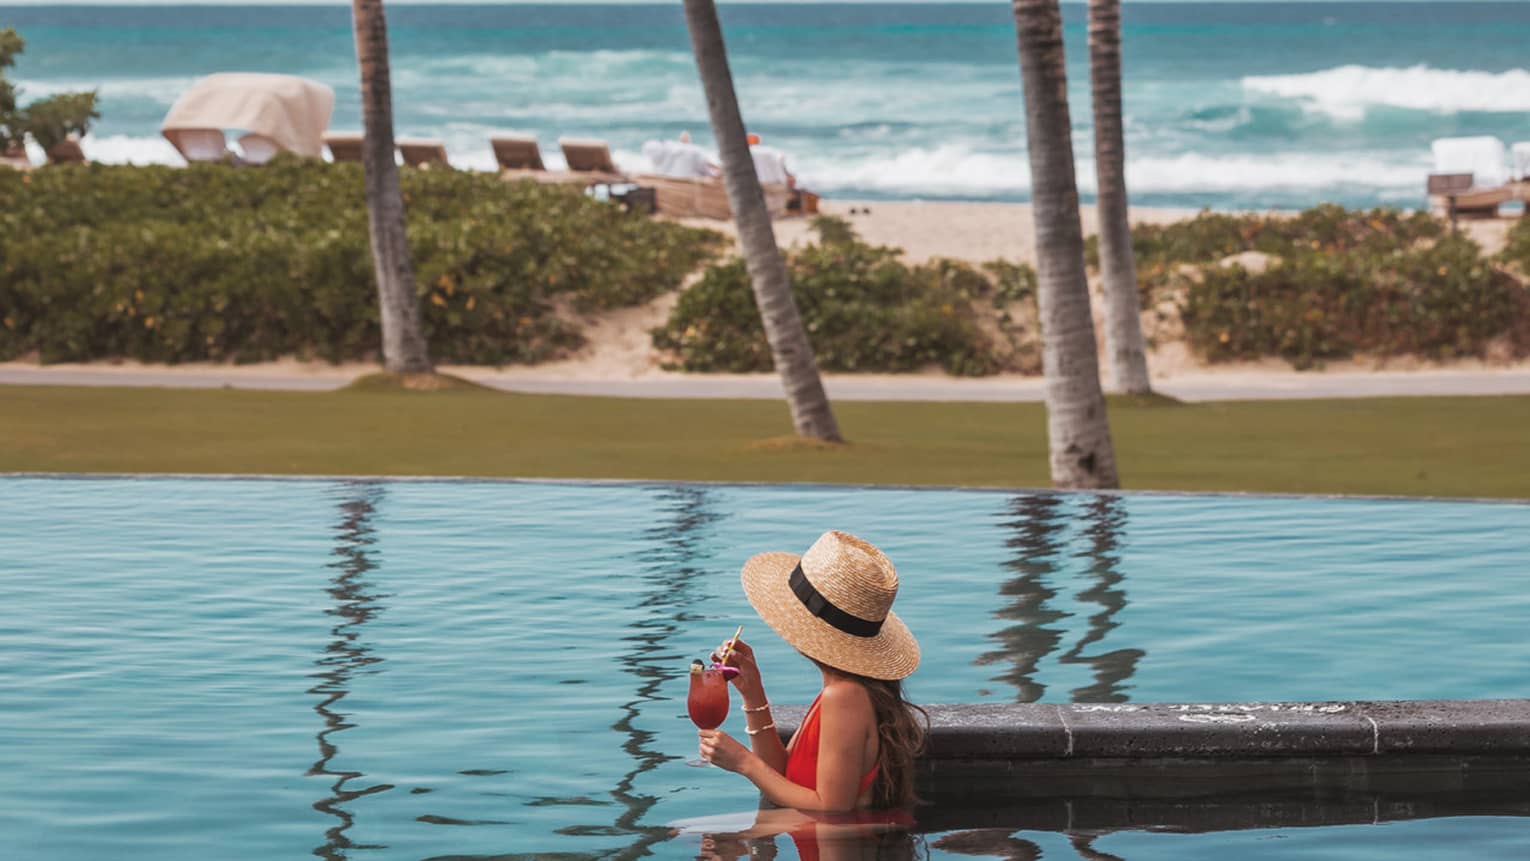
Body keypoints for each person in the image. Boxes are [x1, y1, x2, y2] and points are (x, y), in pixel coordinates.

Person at [696, 530, 926, 815]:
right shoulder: (840, 690)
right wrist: (752, 692)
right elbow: (781, 774)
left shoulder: (844, 696)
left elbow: (832, 808)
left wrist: (744, 762)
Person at [642, 130, 719, 179]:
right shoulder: (692, 150)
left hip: (675, 181)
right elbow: (705, 166)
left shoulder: (666, 151)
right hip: (690, 181)